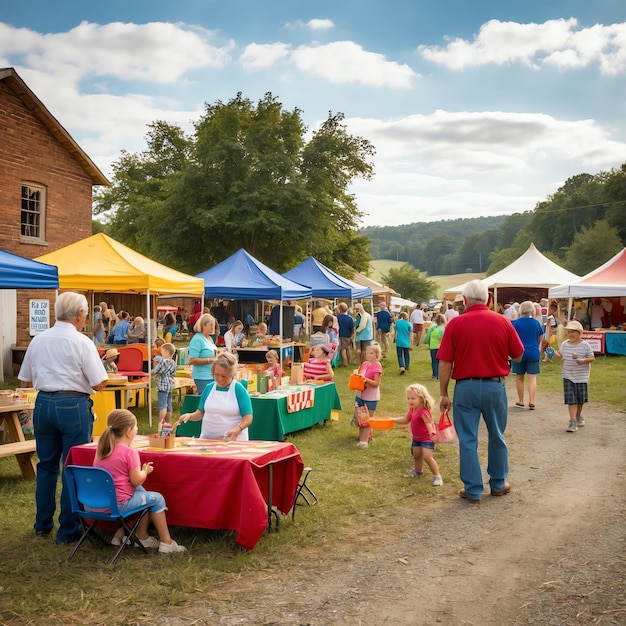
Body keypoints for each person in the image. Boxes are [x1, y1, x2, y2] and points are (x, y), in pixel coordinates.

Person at [18, 291, 109, 543]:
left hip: (43, 402)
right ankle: (68, 529)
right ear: (80, 314)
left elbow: (25, 376)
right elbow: (100, 382)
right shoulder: (82, 342)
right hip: (72, 404)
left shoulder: (39, 340)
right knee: (72, 466)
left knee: (46, 466)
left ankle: (42, 524)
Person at [437, 280, 524, 503]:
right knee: (497, 434)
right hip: (495, 386)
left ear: (464, 300)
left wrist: (444, 393)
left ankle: (473, 489)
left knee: (467, 439)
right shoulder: (503, 322)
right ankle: (498, 483)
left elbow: (445, 362)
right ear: (489, 299)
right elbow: (518, 355)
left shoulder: (455, 324)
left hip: (465, 387)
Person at [94, 409, 186, 553]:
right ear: (129, 431)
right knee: (157, 498)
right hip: (117, 506)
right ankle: (167, 543)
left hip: (95, 504)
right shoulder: (130, 452)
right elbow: (136, 480)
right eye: (136, 427)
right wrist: (145, 471)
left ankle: (139, 536)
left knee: (141, 492)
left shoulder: (101, 450)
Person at [178, 352, 253, 441]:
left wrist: (238, 429)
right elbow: (201, 412)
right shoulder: (209, 388)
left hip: (232, 440)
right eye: (216, 375)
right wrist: (190, 416)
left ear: (231, 374)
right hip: (208, 439)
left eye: (224, 376)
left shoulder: (239, 390)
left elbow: (248, 417)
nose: (220, 379)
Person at [392, 384, 442, 485]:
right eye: (408, 398)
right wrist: (393, 420)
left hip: (427, 438)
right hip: (417, 438)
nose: (410, 401)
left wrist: (432, 433)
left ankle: (437, 476)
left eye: (413, 398)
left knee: (427, 456)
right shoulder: (412, 410)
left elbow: (428, 423)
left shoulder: (424, 412)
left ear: (422, 398)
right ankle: (418, 471)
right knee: (416, 455)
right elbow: (406, 419)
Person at [552, 320, 595, 432]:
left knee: (580, 400)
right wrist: (551, 352)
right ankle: (572, 421)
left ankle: (578, 415)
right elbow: (559, 355)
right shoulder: (565, 344)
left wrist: (583, 360)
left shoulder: (585, 345)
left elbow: (592, 358)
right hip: (567, 375)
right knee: (571, 400)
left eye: (573, 332)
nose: (570, 334)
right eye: (569, 332)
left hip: (581, 377)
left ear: (579, 333)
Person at [512, 301, 545, 409]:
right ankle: (531, 401)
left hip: (519, 353)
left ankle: (521, 400)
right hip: (533, 352)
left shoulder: (515, 323)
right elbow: (540, 338)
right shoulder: (536, 323)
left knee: (519, 377)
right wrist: (536, 346)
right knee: (532, 378)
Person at [353, 343, 383, 448]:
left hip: (371, 397)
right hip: (360, 394)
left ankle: (364, 441)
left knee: (367, 418)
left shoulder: (377, 366)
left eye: (371, 353)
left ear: (377, 354)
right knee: (360, 416)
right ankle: (362, 436)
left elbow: (376, 383)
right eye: (367, 353)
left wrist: (365, 379)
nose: (368, 355)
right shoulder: (365, 364)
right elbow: (360, 376)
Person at [187, 313, 218, 394]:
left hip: (213, 375)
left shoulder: (209, 338)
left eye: (213, 325)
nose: (213, 327)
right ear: (203, 326)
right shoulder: (197, 339)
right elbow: (191, 360)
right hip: (202, 377)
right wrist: (210, 360)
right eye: (210, 325)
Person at [152, 342, 176, 425]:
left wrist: (150, 372)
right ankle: (168, 423)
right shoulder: (173, 362)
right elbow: (173, 373)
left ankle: (161, 423)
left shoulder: (163, 361)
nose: (161, 354)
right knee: (169, 405)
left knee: (162, 406)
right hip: (170, 385)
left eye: (162, 352)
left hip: (163, 385)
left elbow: (157, 370)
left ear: (167, 352)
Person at [423, 313, 446, 379]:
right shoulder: (444, 328)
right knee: (440, 361)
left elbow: (428, 337)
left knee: (434, 361)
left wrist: (426, 342)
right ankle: (440, 374)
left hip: (433, 346)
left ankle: (435, 375)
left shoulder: (432, 327)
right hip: (441, 346)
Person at [337, 302, 355, 366]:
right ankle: (349, 360)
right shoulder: (350, 318)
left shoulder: (337, 317)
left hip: (341, 334)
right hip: (348, 335)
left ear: (340, 309)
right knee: (348, 348)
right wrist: (352, 335)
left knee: (343, 349)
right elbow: (352, 328)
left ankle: (345, 363)